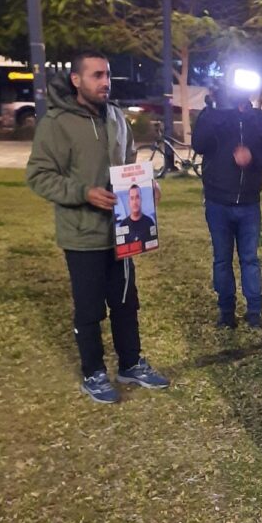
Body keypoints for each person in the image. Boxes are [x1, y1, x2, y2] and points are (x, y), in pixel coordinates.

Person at [26, 51, 169, 404]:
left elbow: (129, 161)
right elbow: (39, 176)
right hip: (82, 234)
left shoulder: (116, 117)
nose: (105, 82)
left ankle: (131, 363)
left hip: (123, 233)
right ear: (77, 80)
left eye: (107, 75)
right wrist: (83, 193)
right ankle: (93, 372)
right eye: (97, 75)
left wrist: (144, 184)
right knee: (90, 308)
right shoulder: (57, 123)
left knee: (125, 302)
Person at [191, 70, 262, 330]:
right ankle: (226, 311)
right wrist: (213, 113)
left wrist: (252, 157)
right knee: (222, 258)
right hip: (218, 201)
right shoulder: (214, 116)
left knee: (250, 259)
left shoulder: (259, 120)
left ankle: (254, 311)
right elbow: (199, 143)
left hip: (249, 203)